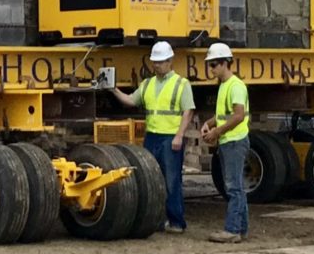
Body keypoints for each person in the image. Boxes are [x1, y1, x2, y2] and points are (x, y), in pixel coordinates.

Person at [105, 41, 196, 231]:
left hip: (171, 138)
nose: (157, 65)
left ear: (170, 61)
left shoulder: (181, 84)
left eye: (161, 61)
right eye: (155, 61)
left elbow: (188, 111)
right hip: (152, 137)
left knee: (172, 181)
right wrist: (113, 90)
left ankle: (176, 222)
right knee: (152, 179)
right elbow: (131, 100)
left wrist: (179, 135)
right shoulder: (148, 84)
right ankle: (158, 219)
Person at [199, 42, 249, 243]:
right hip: (231, 141)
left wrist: (216, 132)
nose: (211, 69)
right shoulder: (225, 85)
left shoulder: (235, 86)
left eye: (214, 64)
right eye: (210, 64)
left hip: (234, 141)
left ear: (226, 63)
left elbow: (238, 116)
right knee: (236, 187)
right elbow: (225, 114)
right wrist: (210, 123)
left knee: (233, 187)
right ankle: (240, 229)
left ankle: (233, 230)